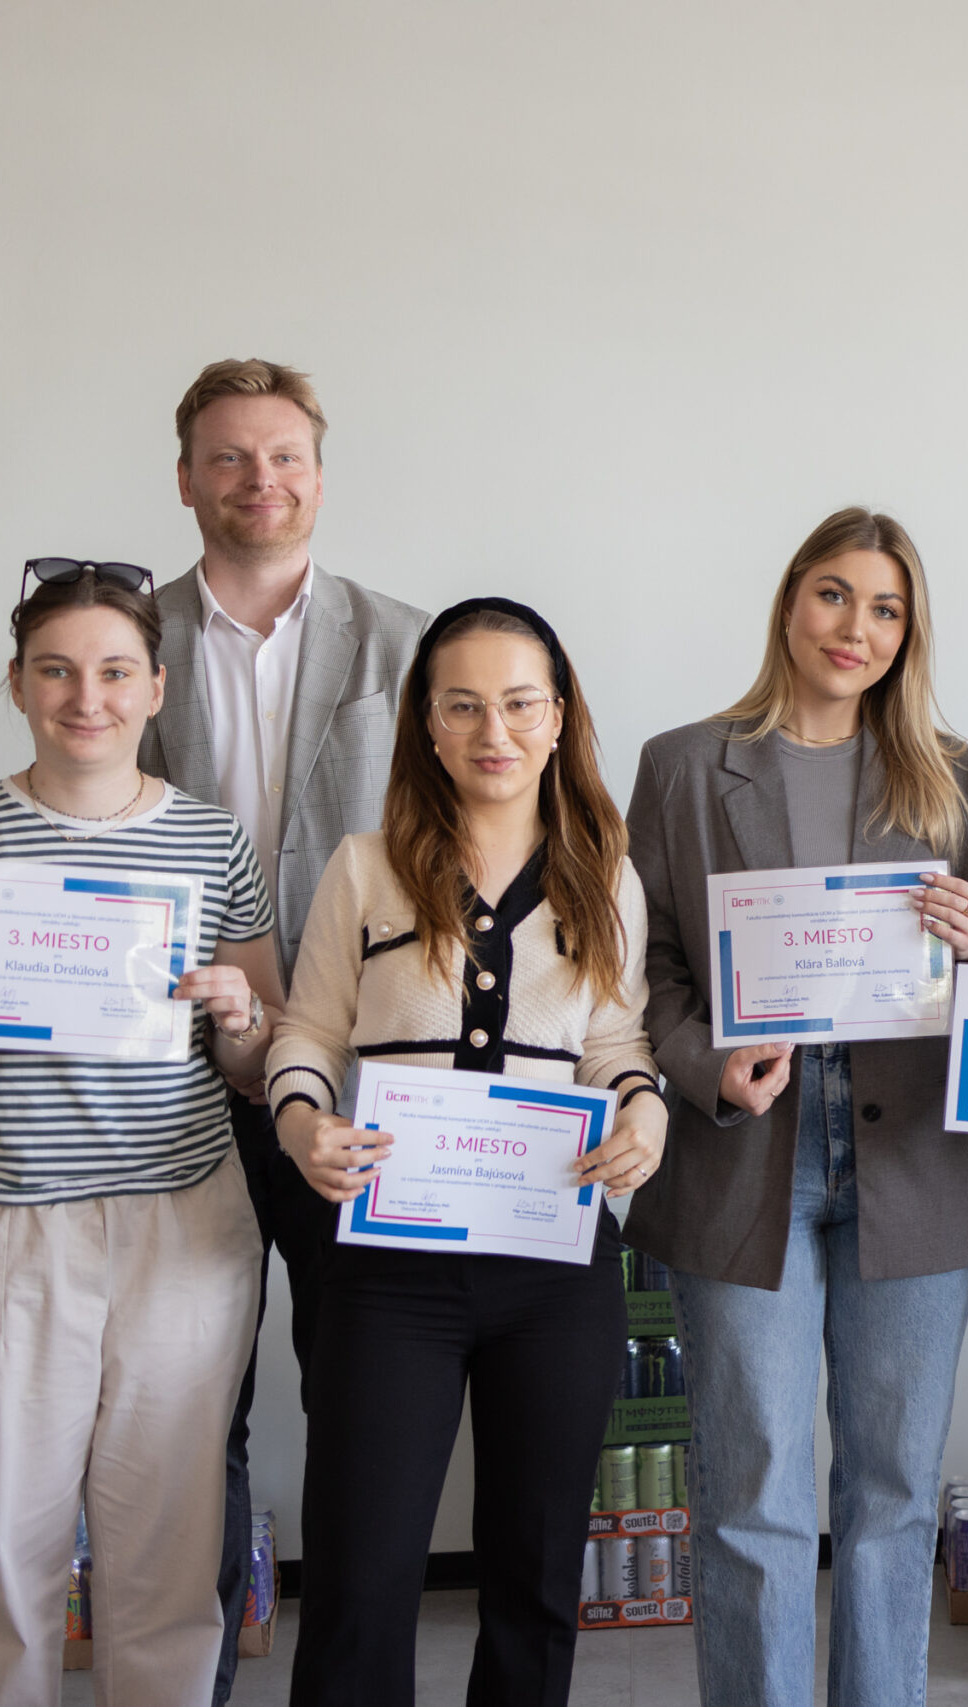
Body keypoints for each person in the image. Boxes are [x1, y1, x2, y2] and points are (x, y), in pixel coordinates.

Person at [0, 564, 282, 1704]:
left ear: (156, 686)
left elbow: (257, 1065)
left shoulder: (212, 840)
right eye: (57, 670)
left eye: (116, 671)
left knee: (170, 1556)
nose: (88, 697)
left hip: (181, 1226)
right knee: (3, 1556)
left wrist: (241, 1015)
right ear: (20, 683)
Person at [621, 507, 968, 1706]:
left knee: (892, 1493)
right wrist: (704, 1067)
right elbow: (646, 965)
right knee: (753, 1491)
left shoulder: (954, 774)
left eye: (887, 608)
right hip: (746, 1146)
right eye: (835, 594)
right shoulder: (684, 764)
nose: (857, 627)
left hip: (915, 1158)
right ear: (791, 599)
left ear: (909, 632)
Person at [266, 598, 665, 1707]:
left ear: (559, 716)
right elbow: (307, 1032)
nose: (496, 731)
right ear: (426, 724)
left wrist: (645, 1115)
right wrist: (301, 1125)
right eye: (463, 705)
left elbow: (617, 1044)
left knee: (536, 1579)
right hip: (389, 1269)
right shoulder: (363, 868)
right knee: (360, 1574)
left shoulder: (608, 877)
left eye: (521, 703)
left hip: (555, 1264)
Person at [138, 355, 429, 1702]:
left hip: (356, 1084)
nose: (260, 480)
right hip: (161, 1085)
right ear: (185, 476)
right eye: (230, 456)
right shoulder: (125, 636)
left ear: (319, 470)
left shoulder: (405, 641)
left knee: (358, 1400)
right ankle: (187, 1674)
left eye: (285, 455)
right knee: (184, 1412)